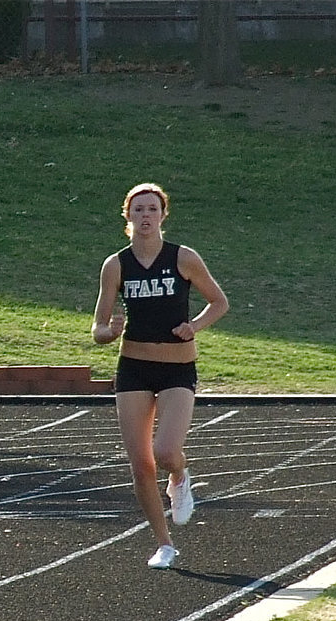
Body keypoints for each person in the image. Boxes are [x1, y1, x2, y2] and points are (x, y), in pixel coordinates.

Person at [92, 182, 229, 569]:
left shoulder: (183, 258)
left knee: (165, 453)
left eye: (152, 209)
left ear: (163, 215)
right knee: (140, 464)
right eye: (138, 210)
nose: (146, 216)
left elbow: (219, 302)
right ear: (128, 216)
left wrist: (195, 326)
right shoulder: (116, 265)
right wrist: (110, 331)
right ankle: (164, 543)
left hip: (177, 367)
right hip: (133, 367)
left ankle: (181, 477)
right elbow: (98, 328)